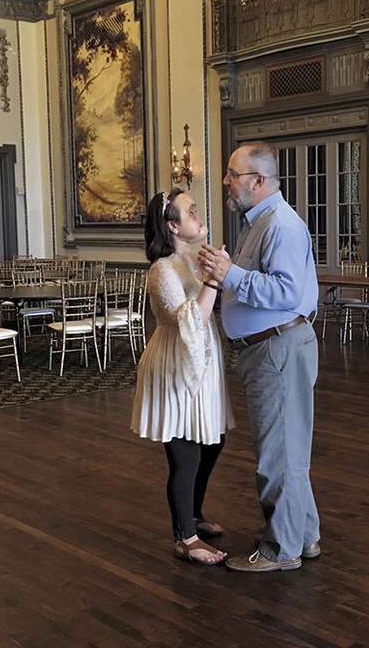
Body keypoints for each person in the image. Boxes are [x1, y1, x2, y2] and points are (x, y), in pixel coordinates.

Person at [198, 141, 321, 573]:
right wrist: (225, 274)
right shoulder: (259, 222)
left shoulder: (280, 226)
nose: (226, 182)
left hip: (276, 349)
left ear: (258, 180)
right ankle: (303, 535)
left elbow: (286, 292)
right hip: (269, 349)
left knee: (278, 455)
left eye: (233, 175)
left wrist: (229, 274)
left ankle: (281, 549)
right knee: (288, 450)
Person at [131, 188, 236, 565]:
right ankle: (185, 538)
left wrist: (218, 273)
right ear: (172, 226)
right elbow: (192, 319)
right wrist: (213, 281)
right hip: (174, 365)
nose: (198, 214)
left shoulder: (193, 259)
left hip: (202, 363)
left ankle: (194, 514)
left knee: (213, 440)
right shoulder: (162, 270)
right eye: (190, 211)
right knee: (186, 451)